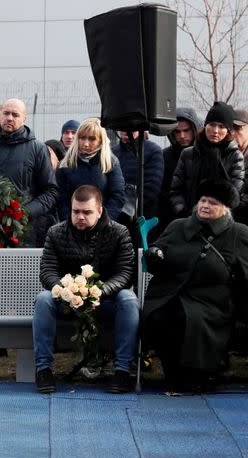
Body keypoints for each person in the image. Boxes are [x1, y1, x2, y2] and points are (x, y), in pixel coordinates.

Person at [0, 97, 58, 367]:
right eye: (6, 113)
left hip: (22, 233)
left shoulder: (37, 150)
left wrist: (26, 212)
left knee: (24, 289)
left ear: (24, 118)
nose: (9, 118)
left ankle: (29, 346)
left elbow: (50, 192)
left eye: (15, 114)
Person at [143, 179, 248, 393]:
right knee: (156, 316)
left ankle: (197, 374)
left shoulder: (238, 233)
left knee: (186, 319)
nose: (205, 206)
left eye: (212, 203)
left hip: (212, 302)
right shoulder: (178, 226)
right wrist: (155, 254)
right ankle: (173, 373)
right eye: (202, 200)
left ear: (225, 209)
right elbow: (157, 250)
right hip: (169, 293)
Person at [33, 185, 137, 394]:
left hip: (105, 301)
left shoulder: (119, 232)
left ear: (99, 211)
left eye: (87, 212)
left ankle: (123, 371)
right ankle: (43, 369)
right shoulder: (55, 233)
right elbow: (47, 272)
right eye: (76, 211)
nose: (80, 217)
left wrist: (100, 291)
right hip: (67, 302)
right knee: (43, 299)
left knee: (128, 299)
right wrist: (67, 290)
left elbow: (125, 273)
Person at [169, 102, 245, 220]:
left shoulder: (235, 156)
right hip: (188, 220)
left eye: (221, 126)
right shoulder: (188, 154)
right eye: (212, 124)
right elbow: (176, 190)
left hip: (221, 223)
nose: (215, 130)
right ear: (205, 126)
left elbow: (234, 196)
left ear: (228, 130)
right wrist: (183, 214)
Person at [56, 118, 125, 221]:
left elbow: (117, 196)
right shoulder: (65, 164)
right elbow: (61, 199)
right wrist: (70, 223)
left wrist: (104, 223)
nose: (86, 143)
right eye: (82, 138)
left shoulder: (110, 162)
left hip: (103, 224)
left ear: (101, 140)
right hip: (72, 225)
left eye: (92, 139)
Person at [159, 107, 201, 236]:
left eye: (186, 130)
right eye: (177, 132)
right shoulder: (164, 156)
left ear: (195, 130)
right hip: (172, 220)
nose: (182, 136)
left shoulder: (206, 154)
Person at [111, 130, 163, 223]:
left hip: (143, 218)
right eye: (122, 126)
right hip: (116, 217)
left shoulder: (153, 150)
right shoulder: (112, 152)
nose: (126, 129)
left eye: (132, 126)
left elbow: (152, 189)